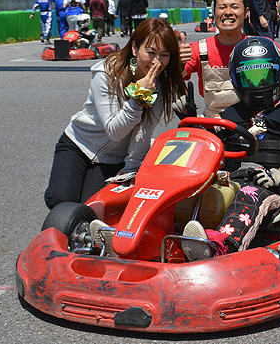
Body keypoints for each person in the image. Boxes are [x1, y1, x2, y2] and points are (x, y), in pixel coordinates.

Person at [181, 36, 280, 260]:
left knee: (248, 194)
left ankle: (221, 248)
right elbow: (205, 142)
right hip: (231, 178)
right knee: (187, 188)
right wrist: (191, 121)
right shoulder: (231, 114)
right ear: (237, 78)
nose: (256, 84)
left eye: (263, 75)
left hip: (272, 186)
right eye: (249, 76)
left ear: (277, 75)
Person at [44, 18, 186, 210]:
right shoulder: (106, 72)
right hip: (79, 144)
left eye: (164, 55)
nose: (157, 62)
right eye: (150, 52)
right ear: (135, 49)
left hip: (113, 158)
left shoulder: (161, 84)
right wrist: (137, 99)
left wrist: (130, 169)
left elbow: (144, 131)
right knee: (61, 201)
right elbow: (114, 131)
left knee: (93, 208)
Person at [180, 0, 280, 118]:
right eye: (222, 7)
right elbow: (176, 78)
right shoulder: (199, 49)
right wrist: (177, 63)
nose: (228, 12)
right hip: (213, 126)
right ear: (214, 12)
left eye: (234, 7)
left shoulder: (262, 46)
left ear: (246, 13)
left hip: (255, 128)